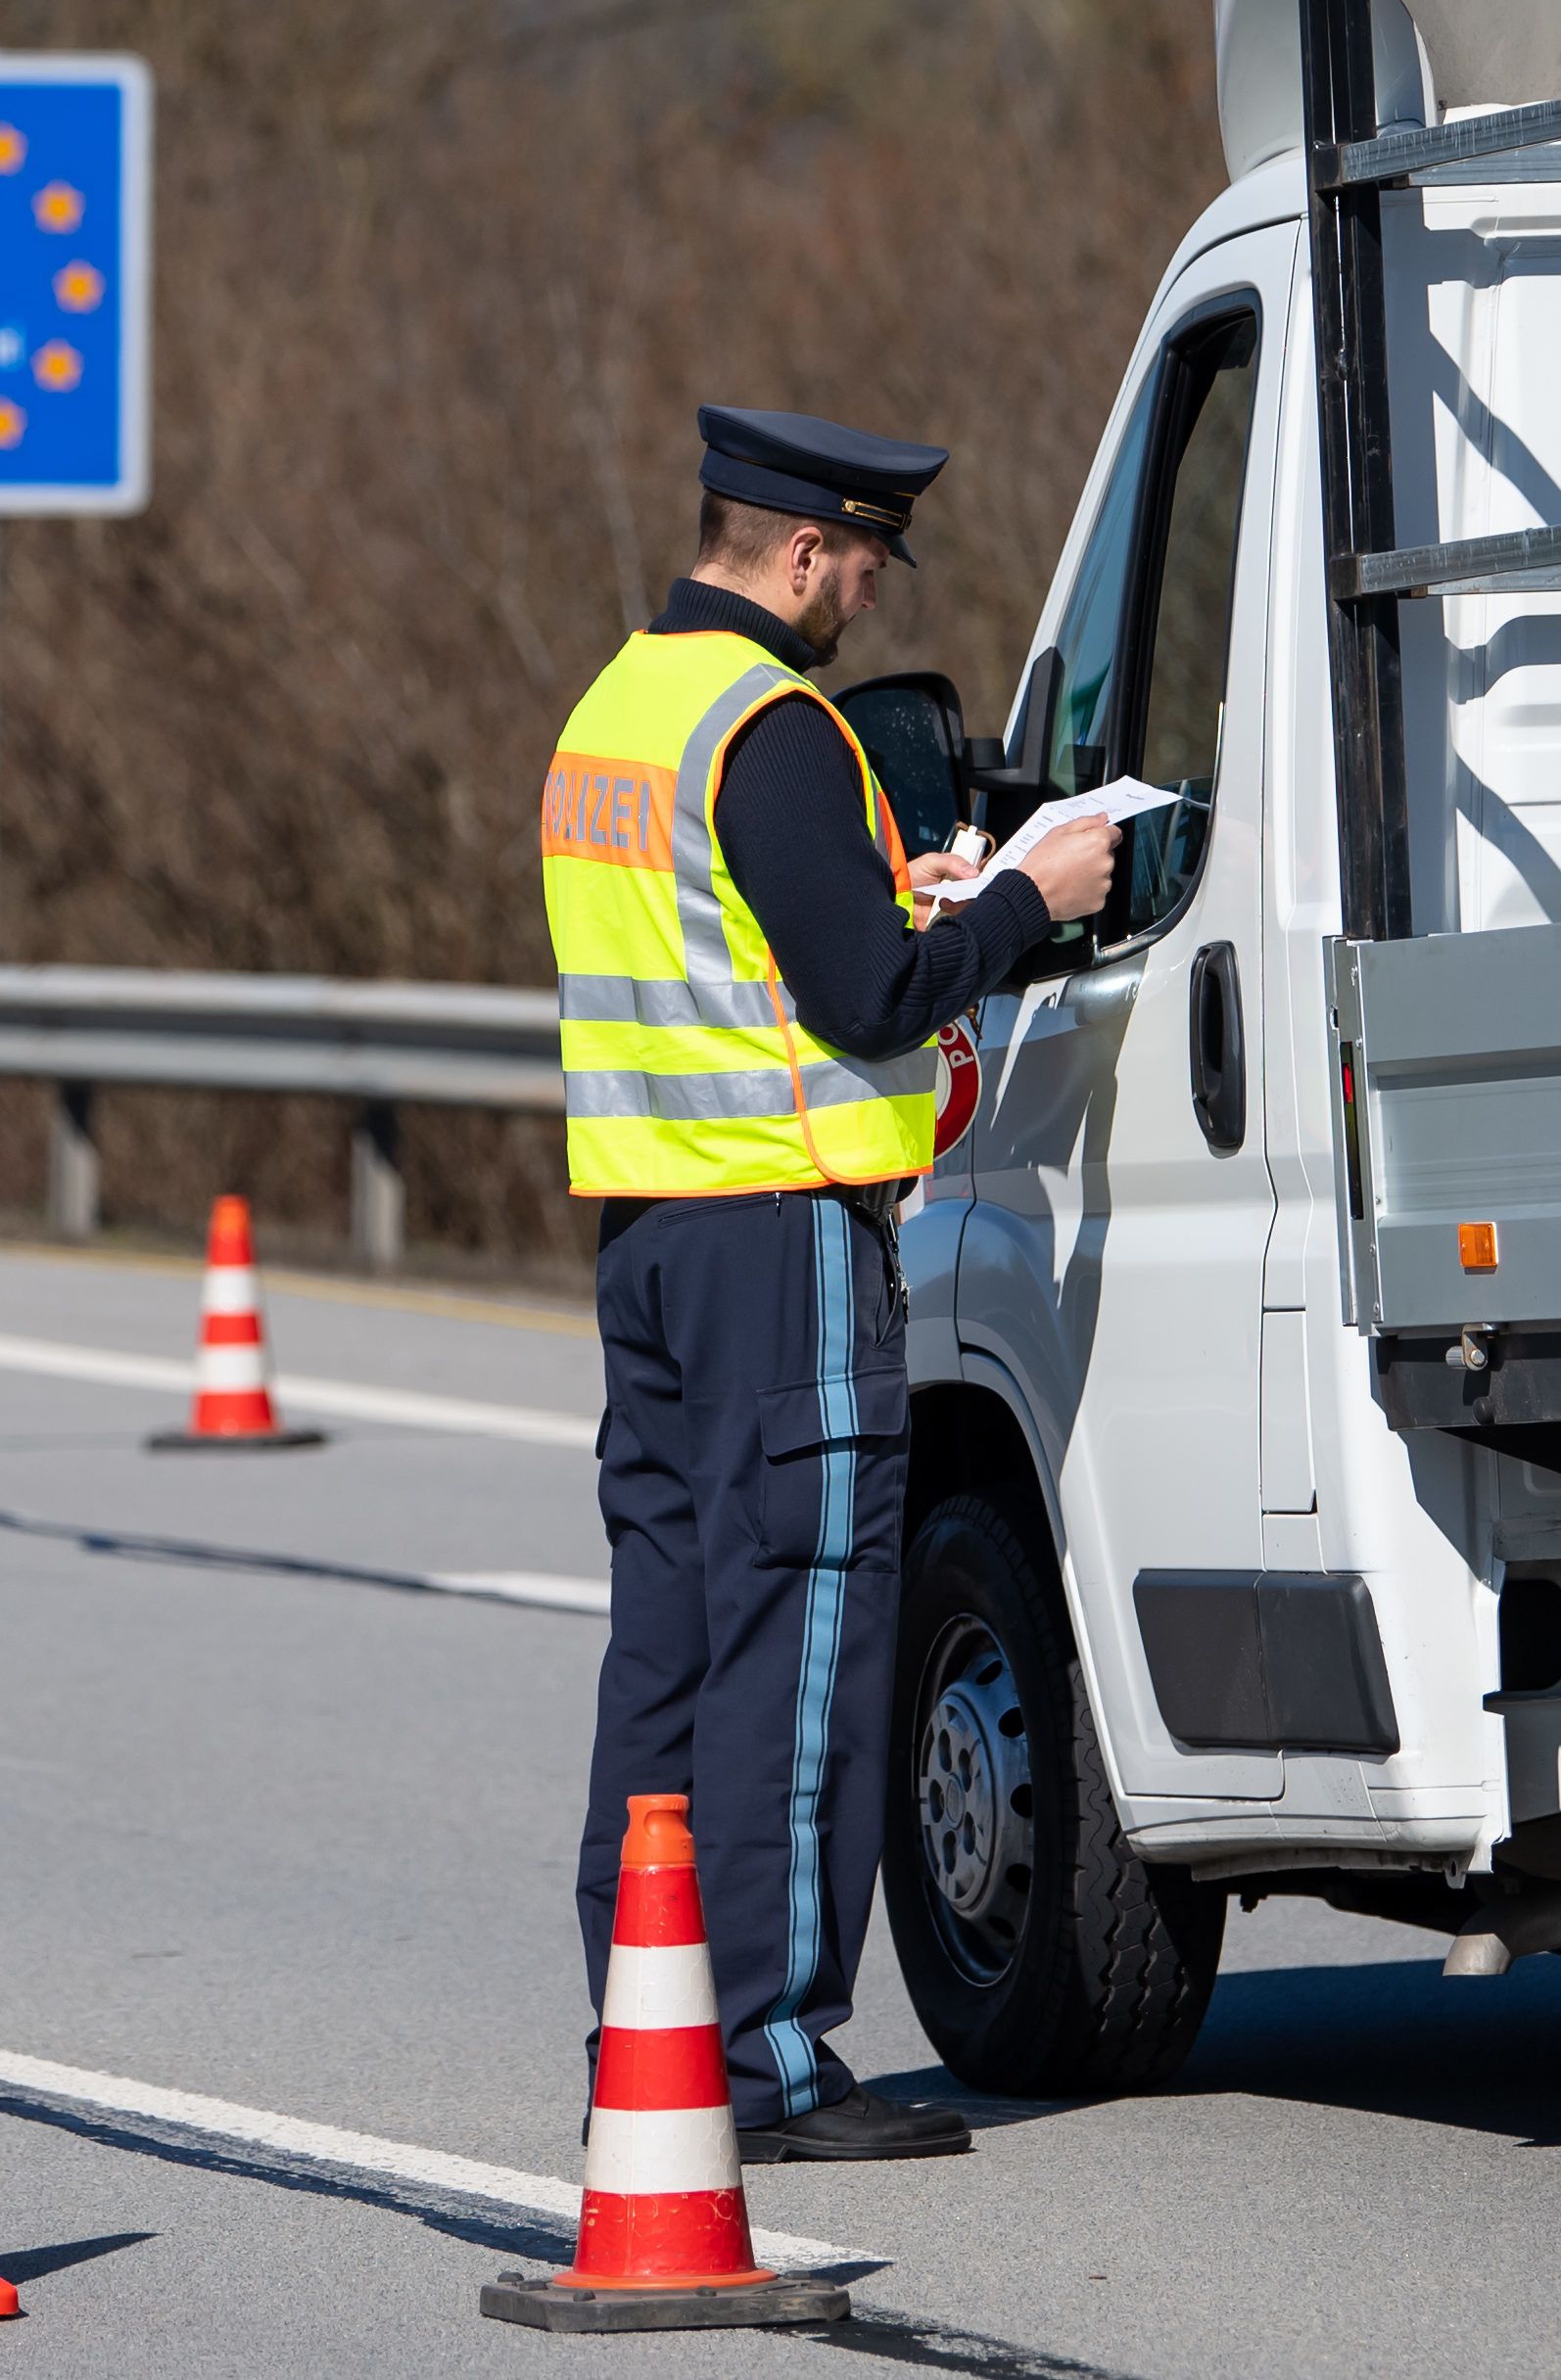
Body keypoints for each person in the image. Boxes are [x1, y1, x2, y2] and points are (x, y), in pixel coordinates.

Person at [539, 403, 1121, 2165]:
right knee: (801, 1631)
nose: (865, 595)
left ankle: (648, 2021)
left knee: (666, 1643)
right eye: (863, 563)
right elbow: (867, 995)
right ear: (802, 549)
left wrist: (907, 899)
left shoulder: (616, 708)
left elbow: (750, 946)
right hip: (779, 1227)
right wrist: (1022, 902)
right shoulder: (773, 727)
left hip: (647, 1230)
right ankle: (770, 2056)